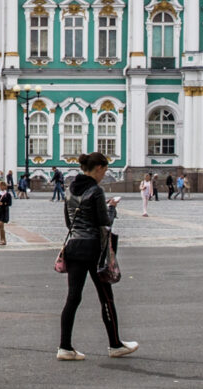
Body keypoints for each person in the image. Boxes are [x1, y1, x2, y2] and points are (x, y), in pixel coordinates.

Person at [54, 150, 137, 362]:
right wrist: (111, 209)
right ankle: (115, 344)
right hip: (93, 250)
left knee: (73, 298)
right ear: (98, 168)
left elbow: (68, 222)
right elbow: (104, 223)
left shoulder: (70, 190)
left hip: (73, 247)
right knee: (106, 298)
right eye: (105, 170)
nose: (104, 175)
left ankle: (65, 347)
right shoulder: (96, 191)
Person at [0, 179, 15, 246]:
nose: (1, 187)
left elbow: (9, 203)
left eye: (2, 186)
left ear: (5, 186)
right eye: (0, 186)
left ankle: (3, 240)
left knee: (1, 224)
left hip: (4, 210)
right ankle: (2, 239)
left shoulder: (7, 195)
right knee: (0, 226)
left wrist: (3, 203)